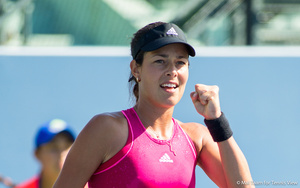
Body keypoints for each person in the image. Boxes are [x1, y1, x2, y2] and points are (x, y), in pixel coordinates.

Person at [53, 22, 254, 188]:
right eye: (160, 61)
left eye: (180, 62)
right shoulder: (107, 129)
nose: (172, 71)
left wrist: (217, 120)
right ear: (136, 69)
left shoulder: (196, 137)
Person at [14, 119, 76, 188]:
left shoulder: (88, 185)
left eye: (67, 146)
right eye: (54, 147)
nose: (62, 154)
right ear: (37, 154)